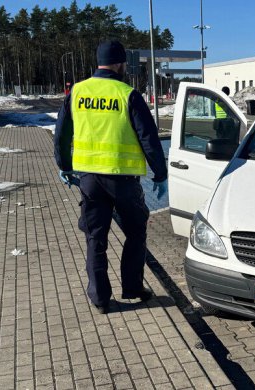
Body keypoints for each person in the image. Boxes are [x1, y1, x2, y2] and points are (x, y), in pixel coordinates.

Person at [54, 40, 168, 314]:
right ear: (119, 64)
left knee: (96, 238)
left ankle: (100, 298)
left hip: (90, 180)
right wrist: (160, 173)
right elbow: (149, 138)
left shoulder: (77, 92)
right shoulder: (127, 94)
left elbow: (61, 134)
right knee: (136, 234)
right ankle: (132, 288)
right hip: (124, 181)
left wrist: (65, 165)